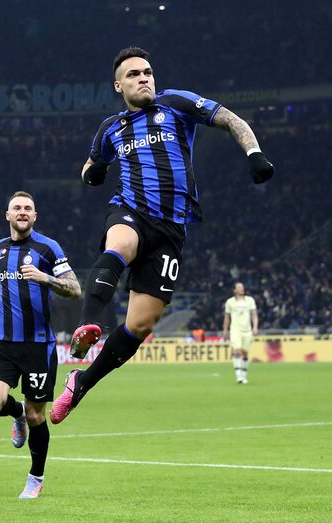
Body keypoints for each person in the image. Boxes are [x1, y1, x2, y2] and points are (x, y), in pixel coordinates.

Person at [49, 46, 274, 424]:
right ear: (118, 85)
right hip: (131, 210)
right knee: (119, 244)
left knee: (140, 324)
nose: (144, 78)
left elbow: (231, 119)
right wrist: (92, 175)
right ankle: (86, 325)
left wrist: (254, 153)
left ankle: (81, 383)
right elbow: (91, 164)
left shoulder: (176, 103)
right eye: (134, 74)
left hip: (171, 230)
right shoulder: (111, 127)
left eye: (148, 72)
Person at [0, 191, 81, 498]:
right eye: (17, 208)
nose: (22, 212)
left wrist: (43, 278)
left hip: (39, 347)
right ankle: (15, 413)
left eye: (28, 208)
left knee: (38, 416)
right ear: (7, 215)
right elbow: (3, 278)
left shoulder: (48, 248)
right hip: (4, 343)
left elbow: (75, 288)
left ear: (35, 216)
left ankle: (35, 477)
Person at [222, 282, 258, 384]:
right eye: (239, 288)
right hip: (235, 330)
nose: (242, 289)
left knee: (245, 354)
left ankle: (244, 375)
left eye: (242, 287)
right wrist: (225, 330)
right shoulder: (230, 302)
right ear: (234, 290)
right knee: (237, 351)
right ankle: (238, 375)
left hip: (247, 330)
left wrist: (255, 327)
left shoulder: (250, 300)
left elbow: (254, 315)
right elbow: (227, 317)